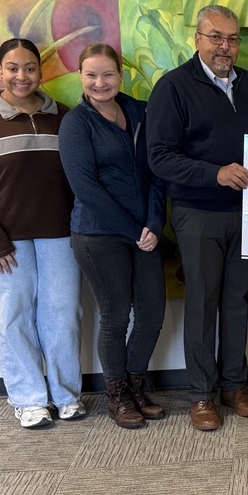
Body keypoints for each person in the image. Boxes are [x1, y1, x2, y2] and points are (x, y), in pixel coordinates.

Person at [146, 5, 248, 431]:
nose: (225, 46)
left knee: (237, 301)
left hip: (247, 214)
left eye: (232, 39)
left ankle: (234, 387)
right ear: (196, 39)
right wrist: (213, 174)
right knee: (200, 305)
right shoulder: (173, 88)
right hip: (197, 215)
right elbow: (159, 158)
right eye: (215, 37)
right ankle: (202, 396)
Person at [0, 38, 83, 429]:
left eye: (29, 68)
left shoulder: (63, 117)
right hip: (4, 241)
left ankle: (65, 395)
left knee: (62, 314)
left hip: (59, 234)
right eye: (12, 68)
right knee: (14, 315)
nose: (21, 76)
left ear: (40, 71)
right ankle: (29, 400)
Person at [59, 44, 166, 429]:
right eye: (91, 75)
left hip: (145, 234)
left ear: (120, 75)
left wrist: (154, 224)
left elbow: (156, 171)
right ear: (81, 77)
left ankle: (137, 386)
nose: (99, 83)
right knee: (116, 317)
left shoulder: (139, 111)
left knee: (152, 314)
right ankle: (117, 395)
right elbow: (85, 188)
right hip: (99, 234)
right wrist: (133, 231)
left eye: (107, 74)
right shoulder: (76, 123)